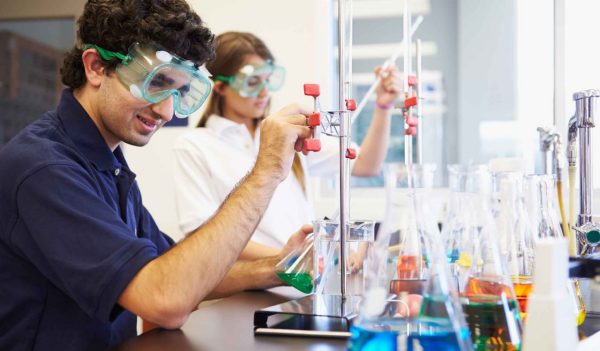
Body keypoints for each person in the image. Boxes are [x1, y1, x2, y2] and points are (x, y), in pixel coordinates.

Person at [0, 1, 315, 350]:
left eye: (178, 91)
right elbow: (165, 298)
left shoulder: (108, 162)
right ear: (96, 67)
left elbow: (173, 268)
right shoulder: (44, 169)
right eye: (156, 83)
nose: (166, 110)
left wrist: (279, 267)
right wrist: (266, 171)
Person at [173, 31, 400, 259]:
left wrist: (383, 107)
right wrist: (293, 259)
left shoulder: (287, 135)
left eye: (267, 80)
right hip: (251, 289)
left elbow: (365, 165)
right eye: (252, 82)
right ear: (220, 87)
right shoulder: (196, 146)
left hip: (303, 282)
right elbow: (200, 234)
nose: (264, 92)